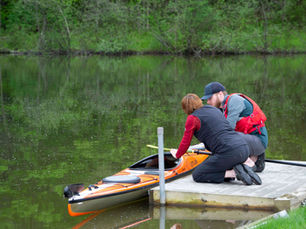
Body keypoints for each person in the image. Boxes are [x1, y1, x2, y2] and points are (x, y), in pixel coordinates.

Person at [170, 93, 261, 185]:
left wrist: (177, 155)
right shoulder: (213, 109)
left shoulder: (192, 118)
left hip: (229, 152)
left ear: (185, 108)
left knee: (198, 174)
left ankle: (233, 173)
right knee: (219, 160)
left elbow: (185, 143)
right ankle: (239, 168)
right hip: (244, 147)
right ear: (199, 102)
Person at [201, 82, 268, 172]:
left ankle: (253, 160)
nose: (208, 102)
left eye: (210, 98)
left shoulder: (234, 100)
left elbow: (228, 129)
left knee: (225, 137)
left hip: (259, 141)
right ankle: (253, 159)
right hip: (247, 141)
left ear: (220, 94)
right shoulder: (222, 109)